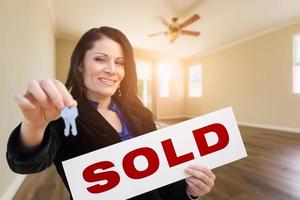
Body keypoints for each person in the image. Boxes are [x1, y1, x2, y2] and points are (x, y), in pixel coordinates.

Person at [6, 26, 215, 200]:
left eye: (120, 62)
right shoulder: (63, 117)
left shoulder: (139, 113)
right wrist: (35, 125)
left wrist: (190, 192)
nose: (112, 69)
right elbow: (26, 164)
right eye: (100, 59)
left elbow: (161, 176)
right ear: (80, 64)